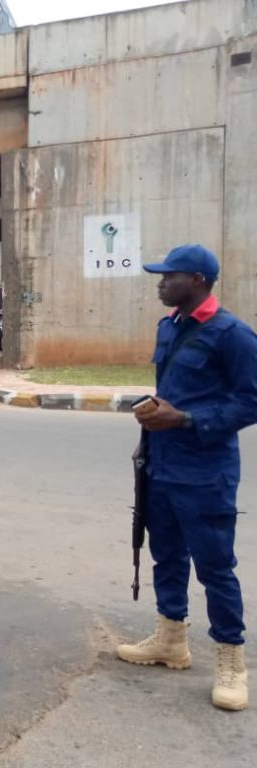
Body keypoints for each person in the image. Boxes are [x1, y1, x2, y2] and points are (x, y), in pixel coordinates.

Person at [117, 244, 257, 712]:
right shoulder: (169, 326)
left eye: (168, 276)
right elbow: (173, 389)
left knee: (215, 566)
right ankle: (171, 639)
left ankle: (231, 661)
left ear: (197, 280)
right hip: (161, 462)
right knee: (167, 554)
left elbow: (249, 402)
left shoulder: (232, 334)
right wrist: (153, 425)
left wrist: (186, 421)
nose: (159, 283)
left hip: (205, 469)